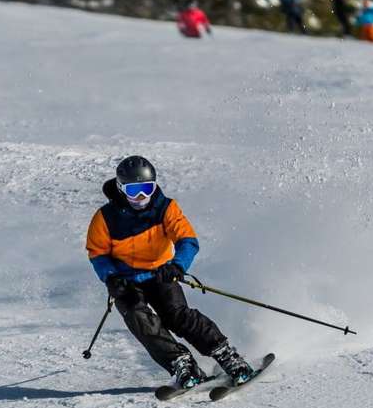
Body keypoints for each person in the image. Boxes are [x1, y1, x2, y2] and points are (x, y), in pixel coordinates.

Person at [86, 155, 255, 390]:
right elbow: (98, 253)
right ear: (121, 188)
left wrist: (177, 266)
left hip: (160, 273)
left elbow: (187, 240)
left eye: (147, 188)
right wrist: (111, 277)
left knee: (177, 315)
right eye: (134, 190)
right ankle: (180, 363)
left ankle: (226, 355)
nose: (141, 197)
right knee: (140, 320)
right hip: (126, 281)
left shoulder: (166, 208)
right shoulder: (104, 217)